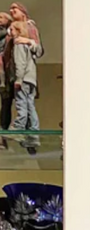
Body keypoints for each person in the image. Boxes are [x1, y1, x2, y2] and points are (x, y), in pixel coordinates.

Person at [9, 17, 40, 150]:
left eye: (12, 29)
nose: (10, 32)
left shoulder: (19, 45)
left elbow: (20, 63)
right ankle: (34, 134)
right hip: (31, 79)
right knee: (30, 105)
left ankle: (19, 128)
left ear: (18, 30)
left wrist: (19, 79)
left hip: (24, 79)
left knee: (21, 104)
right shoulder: (28, 45)